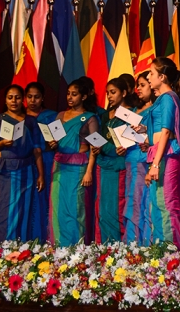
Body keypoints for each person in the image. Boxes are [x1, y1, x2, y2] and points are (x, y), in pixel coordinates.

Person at [0, 85, 45, 241]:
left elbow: (37, 150)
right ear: (5, 100)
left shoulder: (30, 121)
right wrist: (2, 143)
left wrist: (41, 175)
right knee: (1, 211)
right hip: (3, 172)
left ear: (23, 100)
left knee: (23, 211)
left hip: (26, 172)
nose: (14, 101)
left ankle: (21, 248)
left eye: (17, 98)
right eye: (10, 97)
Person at [49, 79, 99, 246]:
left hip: (78, 167)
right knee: (59, 207)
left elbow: (95, 147)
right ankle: (59, 247)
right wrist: (52, 144)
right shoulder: (60, 115)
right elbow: (55, 140)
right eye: (68, 94)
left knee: (76, 208)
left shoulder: (90, 118)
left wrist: (89, 171)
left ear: (83, 97)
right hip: (59, 166)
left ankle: (77, 249)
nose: (70, 97)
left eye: (74, 94)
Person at [146, 57, 180, 248]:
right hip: (160, 152)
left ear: (162, 77)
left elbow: (165, 131)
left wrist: (155, 164)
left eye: (151, 73)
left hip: (166, 155)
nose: (148, 77)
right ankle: (160, 248)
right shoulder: (162, 99)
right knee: (157, 203)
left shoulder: (168, 98)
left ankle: (171, 250)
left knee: (167, 203)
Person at [92, 78, 134, 243]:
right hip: (103, 165)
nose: (109, 96)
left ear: (123, 93)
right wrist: (97, 147)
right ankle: (104, 247)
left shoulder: (130, 115)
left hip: (118, 166)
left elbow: (131, 142)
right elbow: (101, 139)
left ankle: (118, 247)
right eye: (108, 93)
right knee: (102, 209)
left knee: (116, 207)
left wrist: (121, 148)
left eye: (113, 92)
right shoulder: (104, 115)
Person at [123, 72, 155, 245]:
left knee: (143, 200)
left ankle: (144, 243)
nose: (139, 89)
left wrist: (148, 141)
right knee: (131, 199)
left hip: (145, 160)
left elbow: (160, 135)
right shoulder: (134, 111)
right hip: (131, 159)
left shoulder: (156, 109)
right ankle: (131, 243)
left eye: (143, 85)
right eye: (138, 86)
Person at [25, 82, 58, 241]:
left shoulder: (52, 116)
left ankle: (45, 238)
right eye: (29, 97)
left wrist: (54, 144)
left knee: (44, 198)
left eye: (36, 97)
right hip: (26, 162)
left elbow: (61, 140)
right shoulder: (19, 116)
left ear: (43, 98)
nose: (33, 100)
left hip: (46, 160)